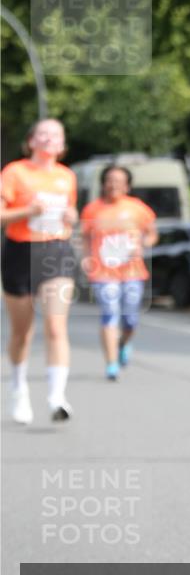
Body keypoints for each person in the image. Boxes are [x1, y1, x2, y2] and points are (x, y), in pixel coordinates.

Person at [1, 118, 78, 424]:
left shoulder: (67, 176)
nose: (49, 138)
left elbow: (70, 214)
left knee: (56, 326)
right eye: (43, 133)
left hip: (56, 252)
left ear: (62, 144)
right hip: (20, 251)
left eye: (56, 134)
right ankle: (19, 388)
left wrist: (71, 216)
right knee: (22, 332)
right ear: (31, 141)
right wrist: (28, 211)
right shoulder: (15, 172)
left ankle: (57, 397)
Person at [80, 165, 158, 380]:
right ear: (103, 184)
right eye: (110, 180)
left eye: (118, 181)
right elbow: (84, 237)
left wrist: (144, 244)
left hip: (132, 272)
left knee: (130, 319)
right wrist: (86, 258)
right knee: (109, 313)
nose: (113, 184)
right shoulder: (92, 209)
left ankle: (124, 342)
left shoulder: (137, 208)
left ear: (127, 186)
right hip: (103, 273)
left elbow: (152, 234)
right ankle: (111, 363)